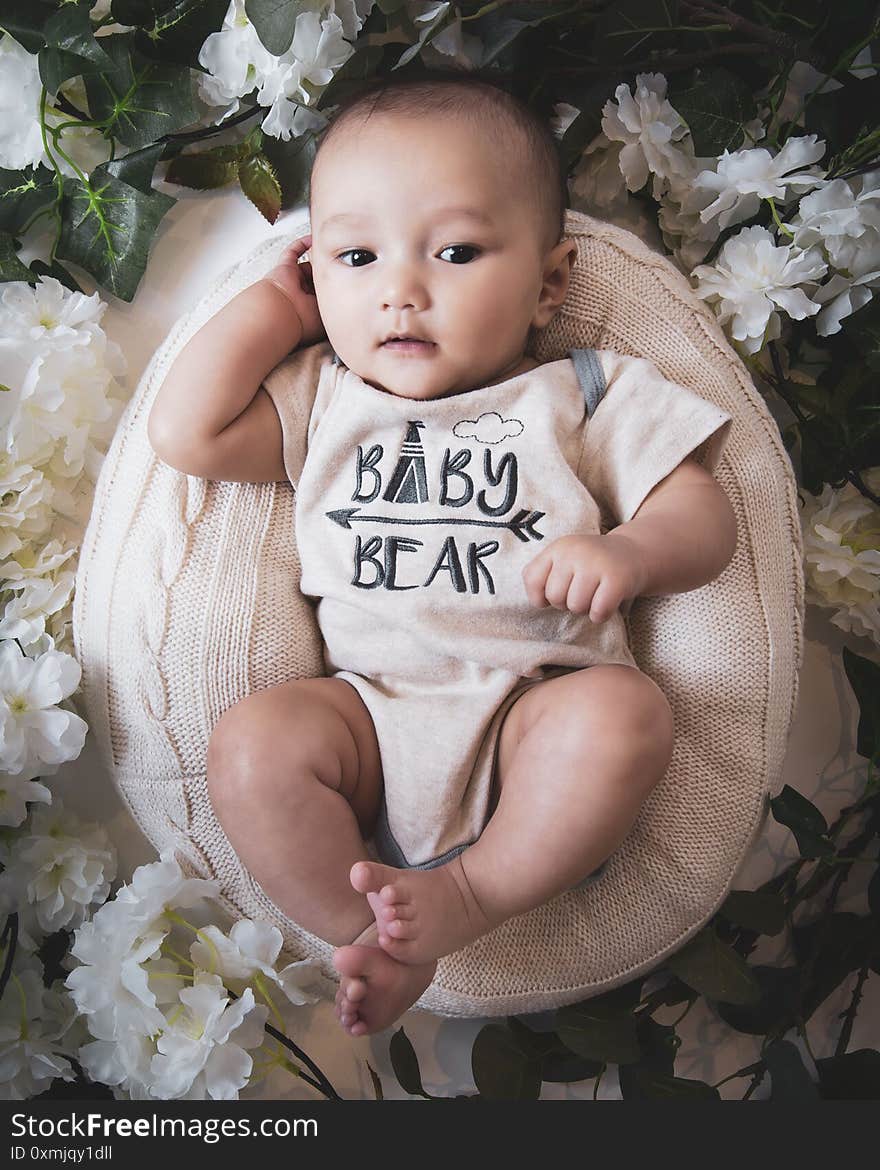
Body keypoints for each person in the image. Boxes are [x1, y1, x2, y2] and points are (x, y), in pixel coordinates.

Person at [148, 72, 736, 1038]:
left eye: (456, 252)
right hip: (368, 715)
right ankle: (367, 937)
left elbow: (702, 518)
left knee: (625, 715)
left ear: (549, 285)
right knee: (252, 744)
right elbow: (188, 432)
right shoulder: (330, 401)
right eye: (356, 256)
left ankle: (473, 892)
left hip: (532, 709)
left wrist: (631, 552)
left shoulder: (584, 393)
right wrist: (278, 312)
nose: (401, 292)